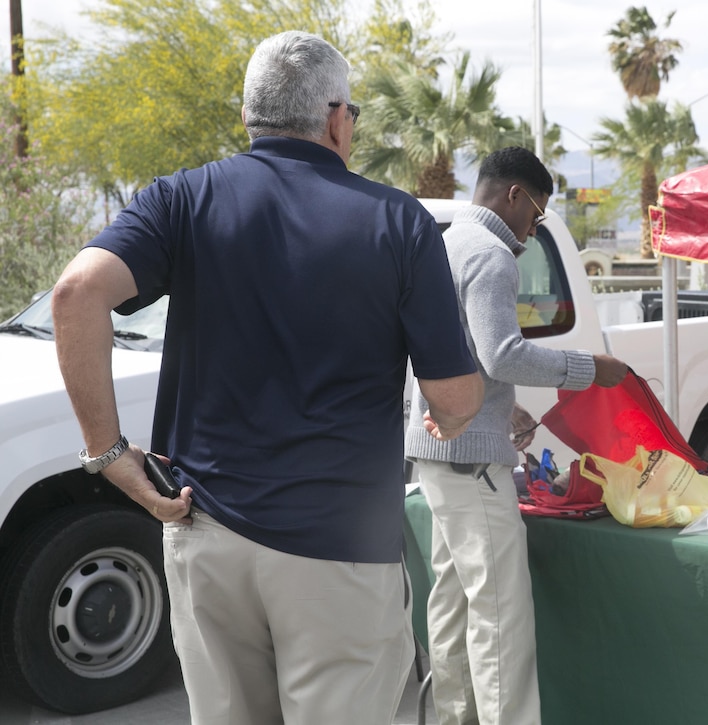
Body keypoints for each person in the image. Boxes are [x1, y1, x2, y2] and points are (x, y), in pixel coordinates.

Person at [51, 31, 484, 725]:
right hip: (339, 552)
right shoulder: (398, 221)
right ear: (338, 119)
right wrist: (455, 416)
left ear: (248, 116)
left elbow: (75, 295)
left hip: (204, 530)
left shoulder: (182, 199)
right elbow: (456, 395)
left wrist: (107, 453)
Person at [404, 146, 628, 725]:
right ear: (514, 196)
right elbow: (501, 354)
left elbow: (456, 353)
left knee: (452, 606)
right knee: (501, 616)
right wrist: (588, 368)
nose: (535, 226)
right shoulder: (492, 254)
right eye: (539, 212)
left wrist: (502, 410)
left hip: (436, 454)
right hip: (472, 463)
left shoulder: (444, 243)